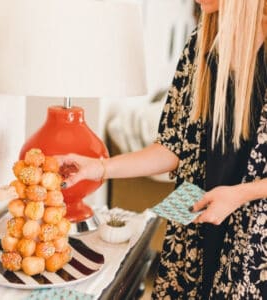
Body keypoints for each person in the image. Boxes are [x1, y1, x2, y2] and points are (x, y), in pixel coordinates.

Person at [56, 0, 267, 298]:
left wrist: (240, 194)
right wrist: (99, 167)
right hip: (194, 233)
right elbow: (172, 146)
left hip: (256, 242)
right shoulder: (201, 43)